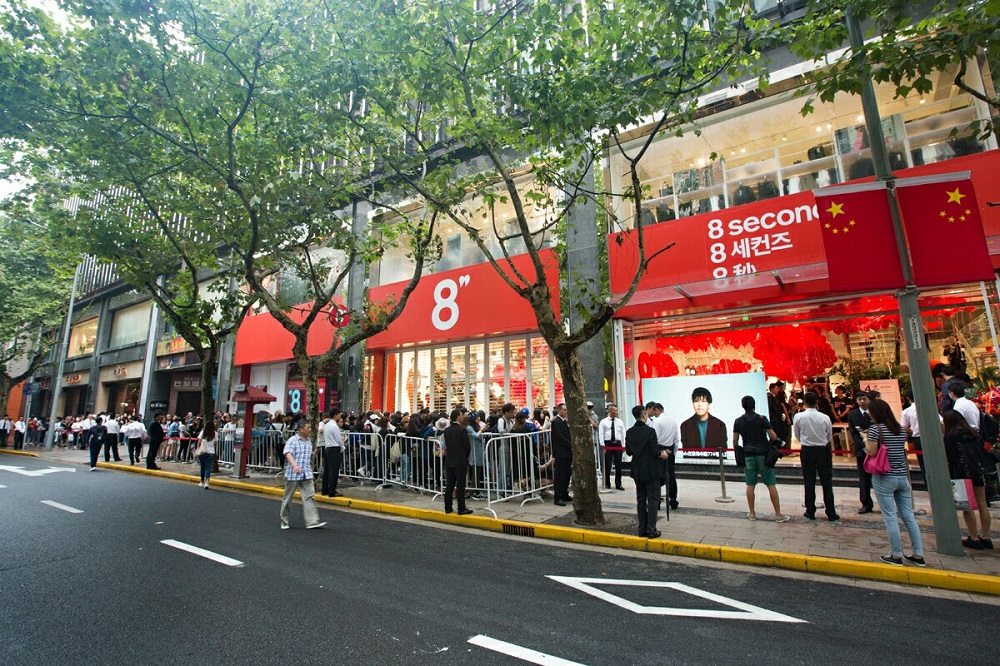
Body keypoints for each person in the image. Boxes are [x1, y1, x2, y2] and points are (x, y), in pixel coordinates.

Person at [866, 398, 926, 566]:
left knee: (890, 516)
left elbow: (872, 451)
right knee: (908, 516)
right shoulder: (900, 429)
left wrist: (865, 440)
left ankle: (896, 553)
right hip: (902, 476)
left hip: (884, 476)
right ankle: (918, 553)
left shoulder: (875, 429)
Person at [732, 396, 789, 522]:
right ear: (754, 405)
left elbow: (735, 441)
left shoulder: (738, 421)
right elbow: (773, 436)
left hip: (748, 456)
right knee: (771, 485)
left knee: (750, 485)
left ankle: (752, 513)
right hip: (764, 455)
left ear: (743, 406)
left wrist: (739, 450)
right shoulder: (762, 419)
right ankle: (778, 515)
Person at [943, 411, 993, 550]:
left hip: (961, 473)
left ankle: (974, 537)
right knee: (982, 504)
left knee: (967, 507)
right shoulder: (973, 433)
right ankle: (986, 537)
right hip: (977, 470)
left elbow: (950, 456)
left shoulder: (950, 436)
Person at [793, 391, 840, 522]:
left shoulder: (799, 417)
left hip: (807, 450)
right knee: (827, 482)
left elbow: (797, 434)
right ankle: (831, 512)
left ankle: (810, 510)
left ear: (804, 403)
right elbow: (829, 435)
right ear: (817, 402)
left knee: (809, 481)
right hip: (822, 450)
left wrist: (805, 441)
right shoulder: (825, 417)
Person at [626, 405, 668, 538]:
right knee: (653, 500)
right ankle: (651, 530)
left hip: (637, 470)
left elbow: (628, 451)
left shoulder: (629, 432)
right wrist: (663, 454)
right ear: (644, 415)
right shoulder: (650, 431)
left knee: (641, 500)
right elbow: (655, 451)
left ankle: (642, 529)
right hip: (651, 470)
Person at [280, 418, 326, 530]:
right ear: (301, 429)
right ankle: (284, 521)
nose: (310, 429)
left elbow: (305, 454)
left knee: (309, 497)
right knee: (288, 498)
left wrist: (312, 453)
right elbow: (287, 453)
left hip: (306, 473)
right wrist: (294, 466)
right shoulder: (292, 440)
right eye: (308, 427)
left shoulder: (309, 441)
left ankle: (312, 521)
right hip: (293, 474)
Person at [646, 402, 679, 510]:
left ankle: (657, 502)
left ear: (657, 410)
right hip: (670, 449)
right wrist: (673, 452)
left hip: (659, 450)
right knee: (671, 476)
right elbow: (676, 439)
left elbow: (654, 438)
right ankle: (673, 500)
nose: (653, 414)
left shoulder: (657, 421)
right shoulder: (673, 421)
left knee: (658, 477)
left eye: (654, 411)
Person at [848, 391, 875, 513]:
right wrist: (864, 446)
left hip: (876, 449)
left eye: (864, 398)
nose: (862, 401)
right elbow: (853, 433)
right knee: (863, 478)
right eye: (860, 399)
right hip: (861, 450)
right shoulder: (853, 415)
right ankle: (866, 502)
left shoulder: (874, 412)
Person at [442, 408, 472, 515]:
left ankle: (448, 507)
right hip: (460, 461)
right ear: (458, 417)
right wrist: (465, 456)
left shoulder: (447, 430)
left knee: (450, 485)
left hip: (449, 461)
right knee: (460, 486)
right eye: (461, 415)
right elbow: (467, 446)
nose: (463, 417)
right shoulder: (462, 430)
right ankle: (461, 508)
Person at [679, 387, 727, 451]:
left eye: (703, 401)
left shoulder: (720, 425)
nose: (699, 404)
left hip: (713, 458)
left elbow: (723, 452)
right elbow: (686, 451)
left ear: (709, 404)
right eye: (696, 401)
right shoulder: (685, 425)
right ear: (693, 404)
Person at [598, 404, 626, 490]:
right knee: (607, 464)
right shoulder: (603, 421)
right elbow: (601, 433)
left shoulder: (620, 422)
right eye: (615, 410)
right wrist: (602, 444)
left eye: (617, 410)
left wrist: (623, 445)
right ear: (610, 411)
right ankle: (607, 483)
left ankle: (618, 484)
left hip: (617, 444)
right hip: (608, 443)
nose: (616, 412)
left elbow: (623, 433)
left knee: (618, 465)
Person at [550, 403, 572, 506]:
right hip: (560, 452)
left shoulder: (564, 421)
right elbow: (559, 437)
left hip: (567, 452)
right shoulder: (556, 422)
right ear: (559, 410)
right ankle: (558, 497)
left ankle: (564, 493)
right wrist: (570, 444)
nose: (566, 412)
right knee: (560, 475)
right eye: (564, 410)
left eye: (566, 410)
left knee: (567, 474)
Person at [321, 409, 344, 497]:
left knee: (327, 470)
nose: (340, 416)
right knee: (334, 471)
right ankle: (332, 490)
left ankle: (325, 489)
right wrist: (342, 447)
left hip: (328, 448)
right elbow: (339, 439)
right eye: (339, 414)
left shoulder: (326, 425)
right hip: (334, 449)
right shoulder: (334, 426)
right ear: (335, 415)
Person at [195, 420, 217, 489]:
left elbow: (199, 442)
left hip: (203, 452)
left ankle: (202, 481)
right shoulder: (215, 433)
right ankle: (207, 482)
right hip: (211, 452)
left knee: (202, 467)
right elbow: (214, 443)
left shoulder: (203, 432)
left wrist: (198, 449)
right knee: (208, 467)